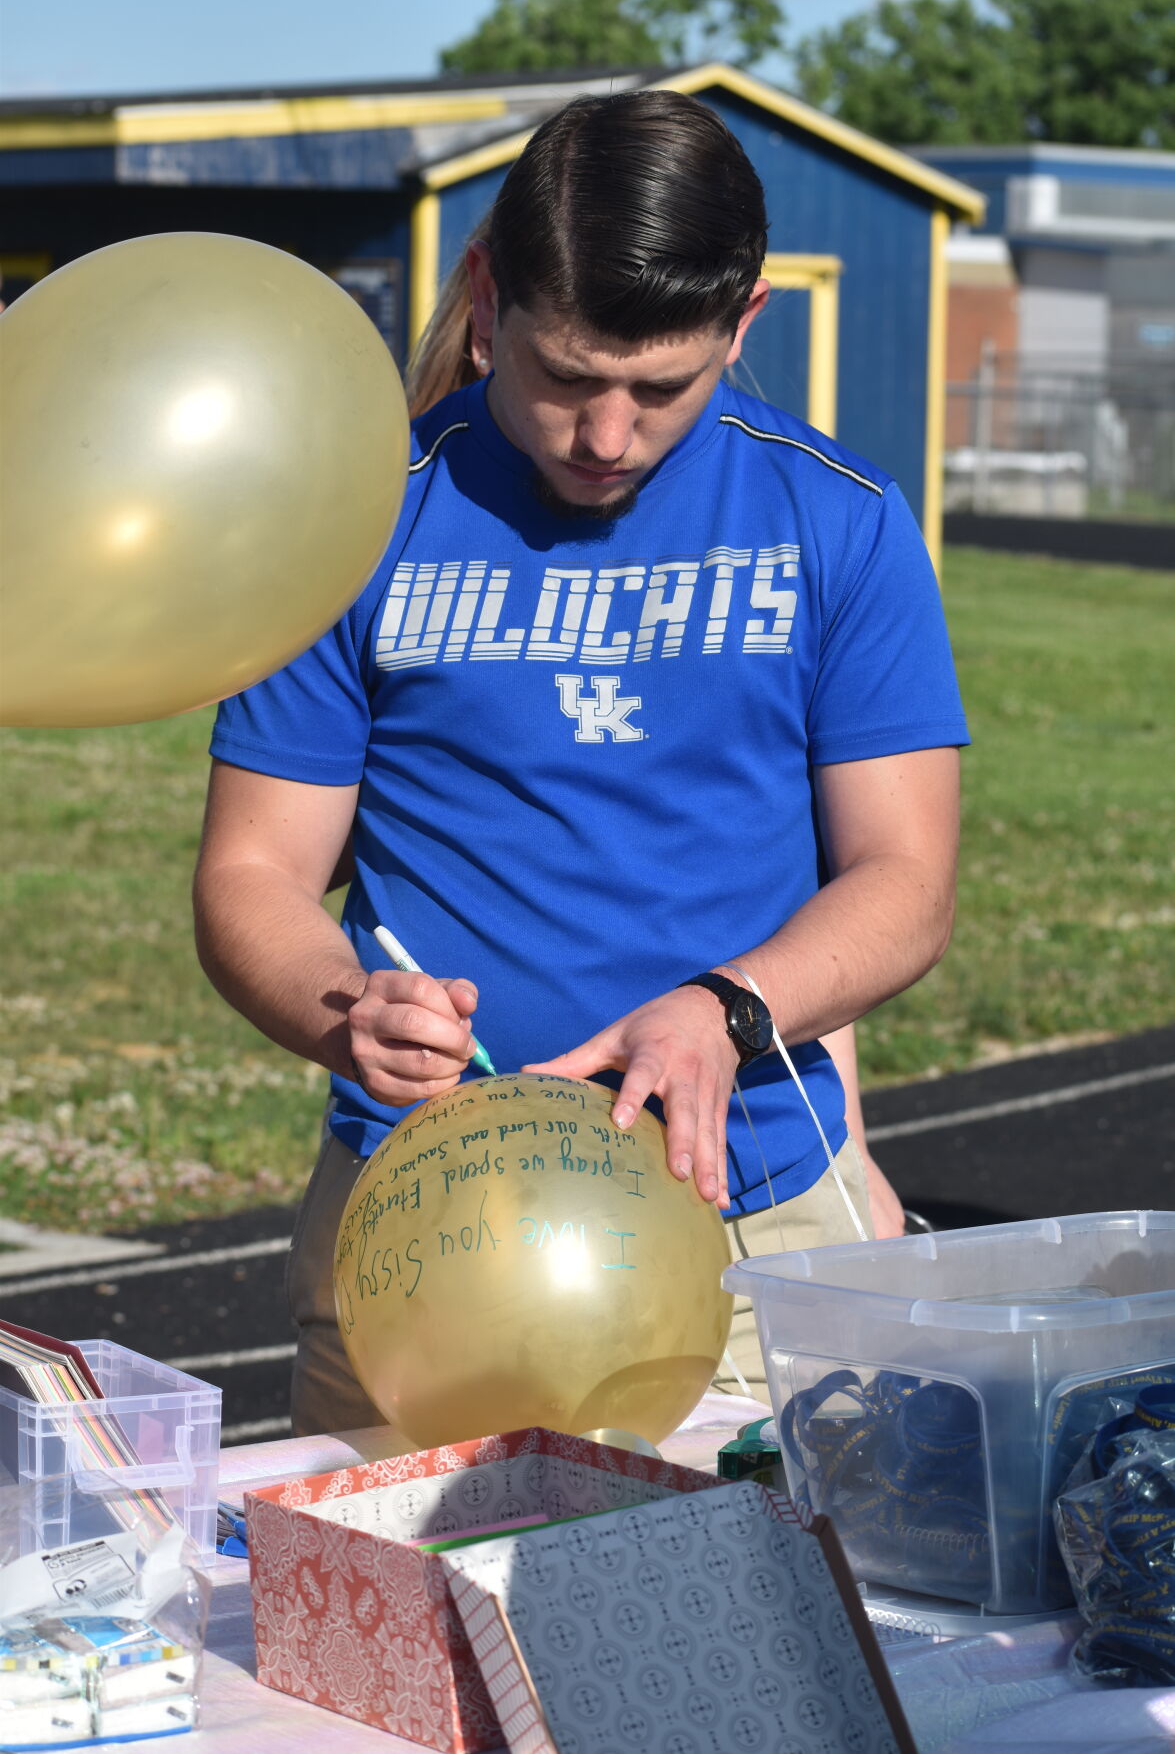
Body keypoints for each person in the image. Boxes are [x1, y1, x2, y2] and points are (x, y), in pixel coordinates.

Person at [193, 89, 967, 1433]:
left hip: (752, 1233)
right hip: (425, 1233)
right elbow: (253, 872)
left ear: (746, 324)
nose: (606, 438)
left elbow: (906, 883)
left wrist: (730, 1008)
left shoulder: (838, 522)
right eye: (565, 380)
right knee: (371, 1636)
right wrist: (345, 1005)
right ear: (488, 300)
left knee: (752, 1644)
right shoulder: (355, 520)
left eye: (662, 389)